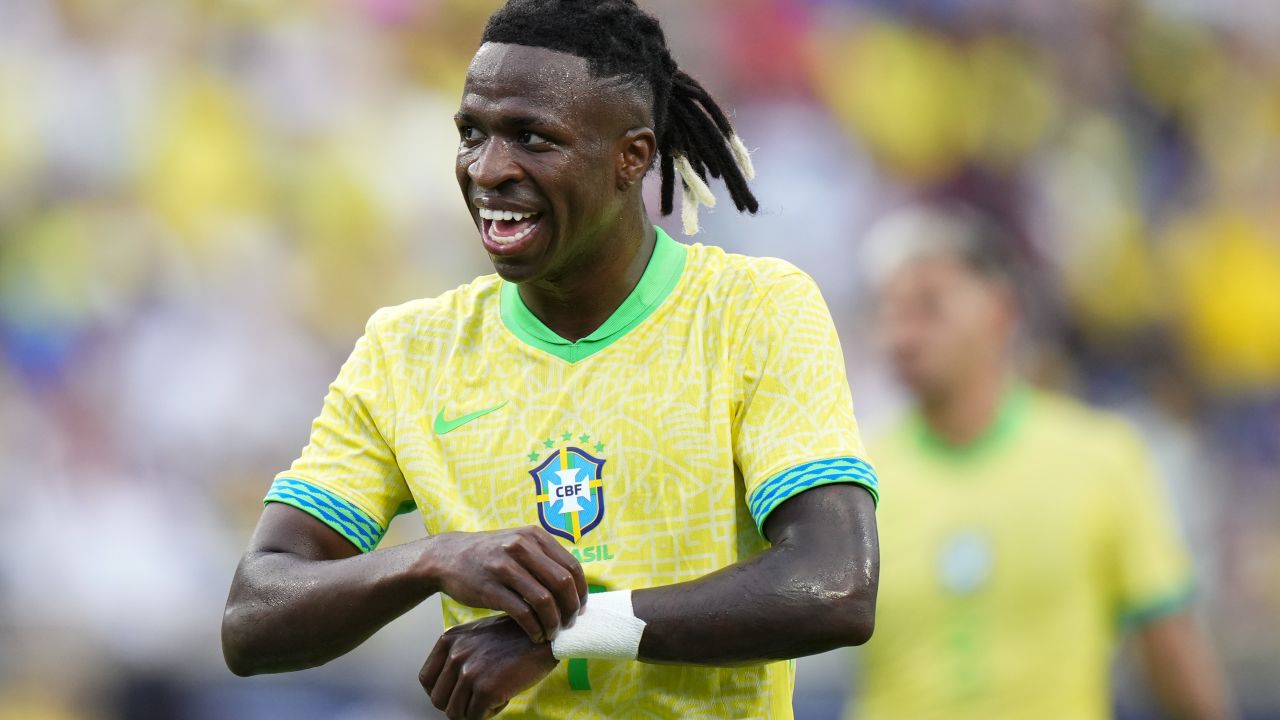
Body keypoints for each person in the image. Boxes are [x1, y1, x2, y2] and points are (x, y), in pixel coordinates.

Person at [221, 1, 881, 718]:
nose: (488, 168)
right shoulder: (407, 351)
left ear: (632, 156)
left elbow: (836, 584)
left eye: (532, 138)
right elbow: (254, 615)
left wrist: (572, 633)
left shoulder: (752, 309)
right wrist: (433, 559)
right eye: (472, 133)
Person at [846, 205, 1233, 720]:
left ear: (1001, 312)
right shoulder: (857, 477)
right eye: (889, 312)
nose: (901, 335)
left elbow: (1170, 646)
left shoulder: (1101, 458)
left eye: (928, 307)